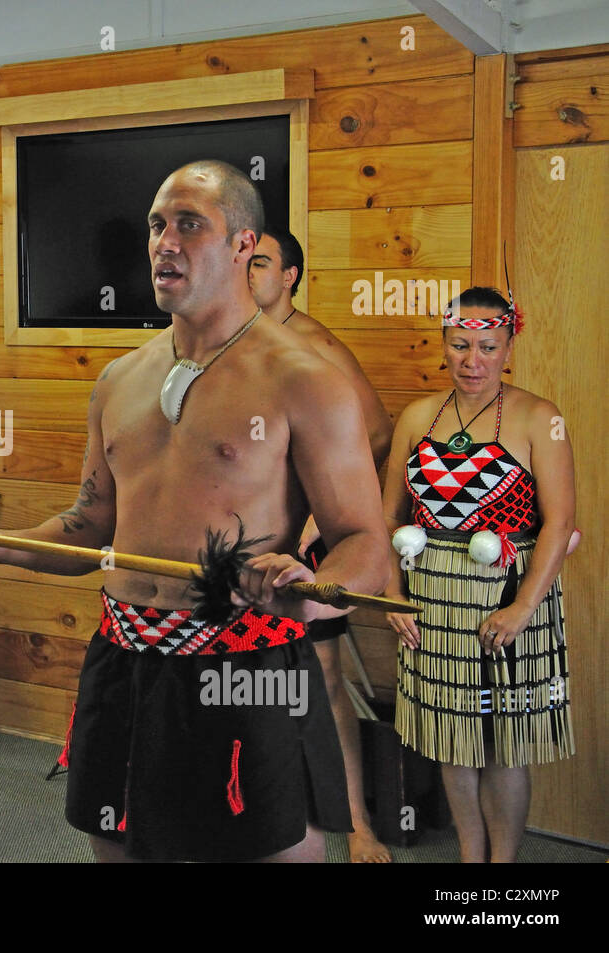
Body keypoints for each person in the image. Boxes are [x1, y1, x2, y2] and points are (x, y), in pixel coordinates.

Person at [0, 160, 389, 862]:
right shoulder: (120, 380)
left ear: (243, 243)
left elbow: (366, 543)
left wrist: (312, 593)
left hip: (249, 666)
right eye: (156, 225)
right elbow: (89, 527)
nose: (164, 242)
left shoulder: (305, 379)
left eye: (188, 224)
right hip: (126, 662)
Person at [383, 287, 575, 863]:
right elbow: (388, 515)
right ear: (443, 342)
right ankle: (471, 860)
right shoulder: (418, 416)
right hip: (431, 601)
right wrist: (392, 596)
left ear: (508, 344)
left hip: (508, 596)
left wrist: (521, 610)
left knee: (504, 746)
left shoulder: (541, 417)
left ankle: (503, 866)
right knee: (452, 742)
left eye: (487, 347)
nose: (472, 361)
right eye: (460, 344)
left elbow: (562, 522)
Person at [249, 226, 394, 863]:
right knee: (244, 675)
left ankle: (357, 822)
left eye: (262, 263)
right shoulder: (233, 340)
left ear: (290, 277)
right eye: (242, 261)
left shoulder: (313, 344)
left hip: (305, 543)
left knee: (326, 679)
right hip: (247, 541)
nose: (248, 273)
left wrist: (319, 511)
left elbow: (379, 431)